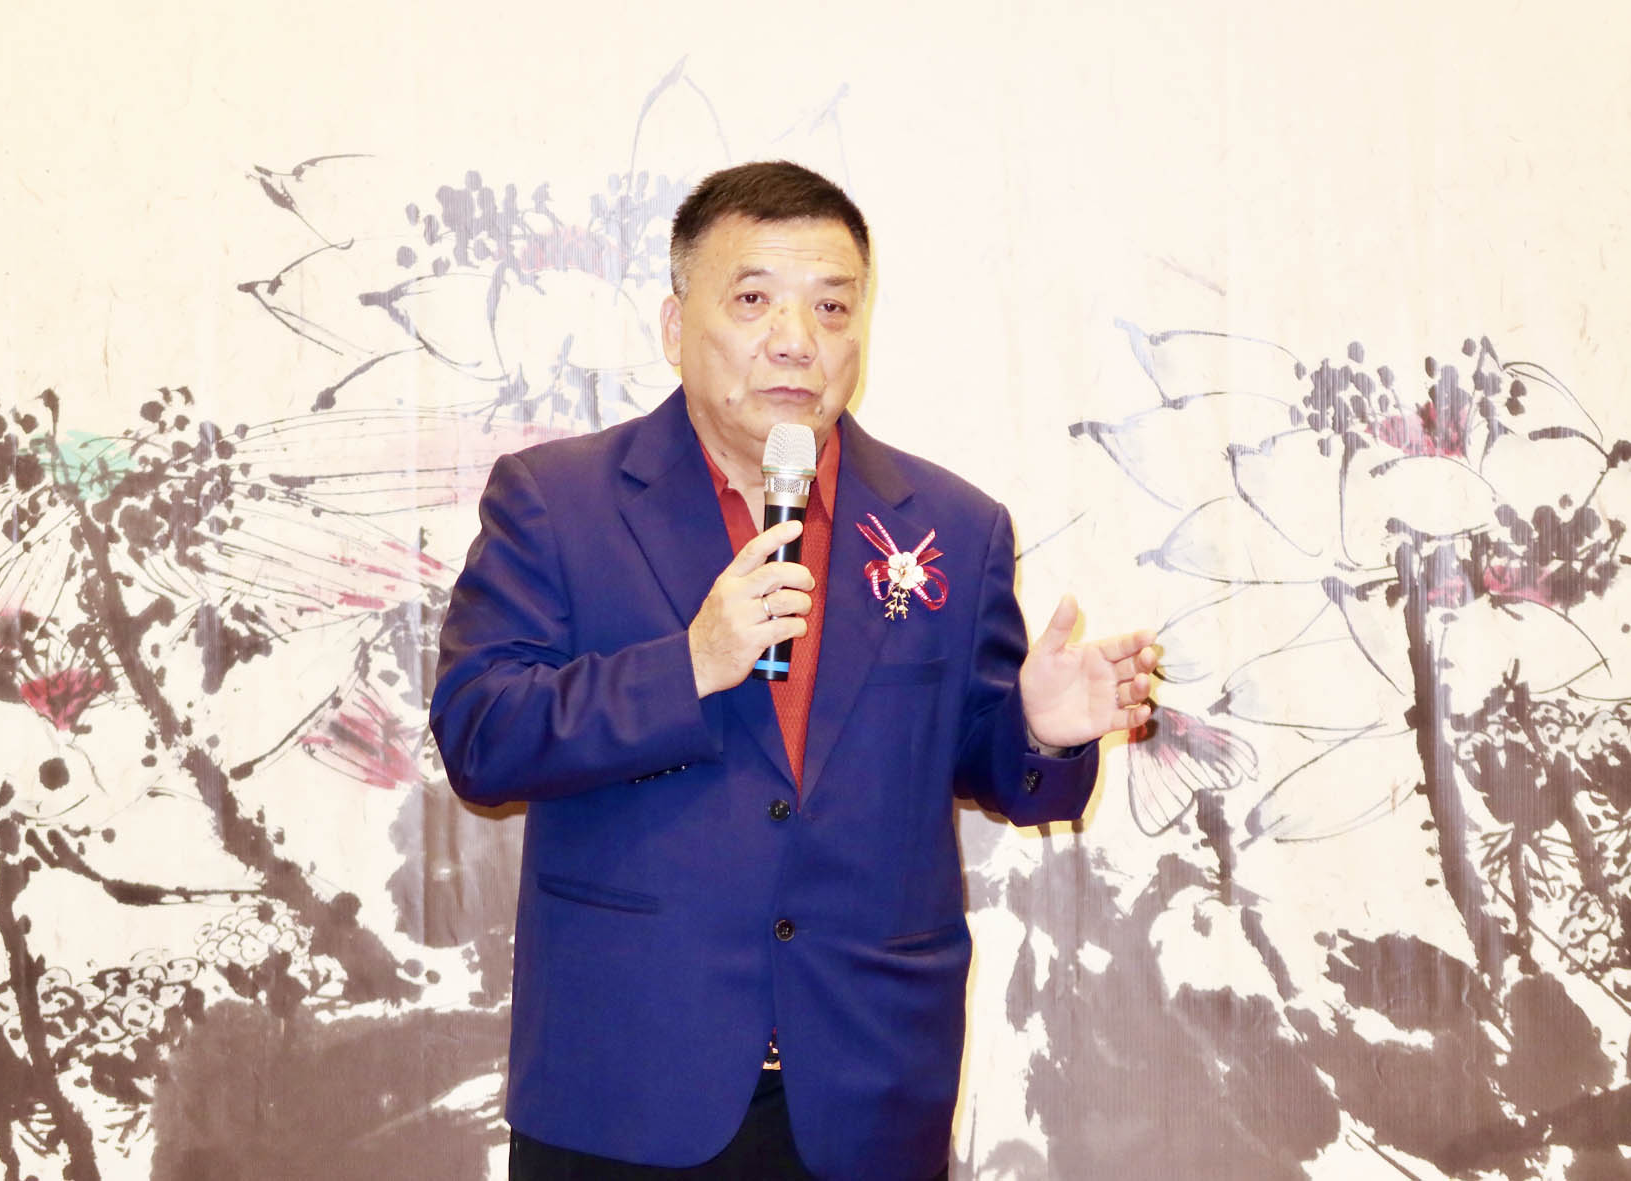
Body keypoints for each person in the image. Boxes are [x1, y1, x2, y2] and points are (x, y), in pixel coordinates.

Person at [430, 161, 1157, 1180]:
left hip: (865, 1093)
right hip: (626, 1086)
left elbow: (988, 767)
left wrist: (1037, 729)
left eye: (830, 306)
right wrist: (689, 664)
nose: (794, 339)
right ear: (674, 324)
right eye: (753, 300)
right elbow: (481, 734)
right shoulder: (558, 502)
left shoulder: (951, 526)